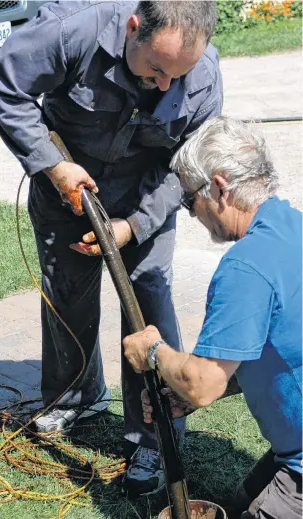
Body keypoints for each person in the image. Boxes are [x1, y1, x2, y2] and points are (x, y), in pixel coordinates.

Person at [0, 1, 223, 495]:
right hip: (66, 189)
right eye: (156, 69)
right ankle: (74, 397)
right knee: (67, 294)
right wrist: (50, 164)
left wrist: (135, 225)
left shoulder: (202, 75)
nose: (164, 86)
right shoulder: (72, 29)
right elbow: (4, 87)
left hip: (145, 198)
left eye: (176, 76)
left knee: (149, 299)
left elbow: (188, 166)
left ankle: (155, 437)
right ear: (134, 29)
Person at [123, 116, 302, 517]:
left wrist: (155, 351)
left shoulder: (247, 266)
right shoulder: (293, 227)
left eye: (189, 200)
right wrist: (184, 394)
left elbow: (201, 383)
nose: (190, 214)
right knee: (241, 502)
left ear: (219, 188)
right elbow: (280, 349)